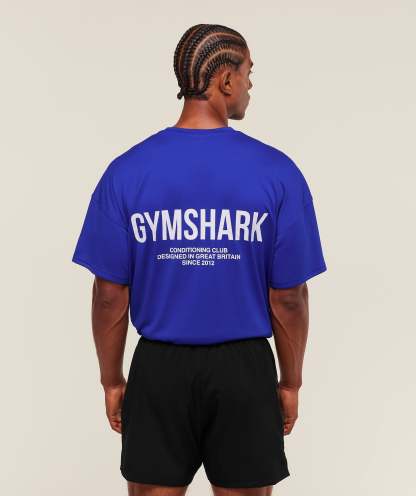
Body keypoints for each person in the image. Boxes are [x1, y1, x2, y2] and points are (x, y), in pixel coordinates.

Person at [71, 23, 327, 496]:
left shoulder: (126, 171)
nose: (250, 85)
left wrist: (112, 380)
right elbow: (289, 297)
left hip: (158, 368)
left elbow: (109, 294)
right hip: (244, 369)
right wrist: (290, 382)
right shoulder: (278, 172)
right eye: (248, 73)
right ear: (225, 80)